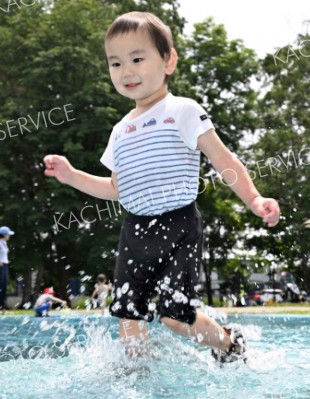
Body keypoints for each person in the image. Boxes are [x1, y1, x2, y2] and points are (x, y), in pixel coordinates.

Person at [43, 11, 280, 363]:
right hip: (134, 229)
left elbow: (223, 160)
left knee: (174, 314)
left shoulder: (182, 110)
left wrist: (254, 198)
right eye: (116, 63)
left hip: (178, 223)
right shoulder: (120, 131)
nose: (127, 71)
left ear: (168, 60)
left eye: (138, 59)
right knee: (128, 311)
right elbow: (115, 190)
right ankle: (137, 378)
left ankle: (229, 343)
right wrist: (71, 175)